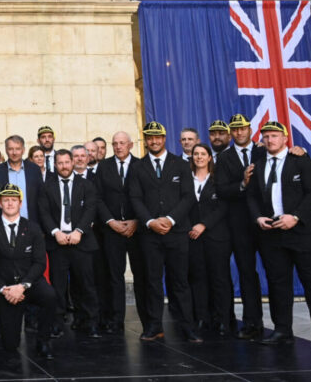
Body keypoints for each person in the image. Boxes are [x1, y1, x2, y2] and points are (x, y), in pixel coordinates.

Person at [246, 120, 311, 351]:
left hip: (303, 232)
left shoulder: (300, 160)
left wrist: (296, 216)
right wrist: (258, 217)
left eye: (274, 135)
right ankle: (283, 330)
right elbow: (252, 196)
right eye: (266, 136)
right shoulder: (259, 163)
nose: (270, 140)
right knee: (278, 284)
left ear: (284, 139)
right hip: (272, 234)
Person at [129, 121, 200, 343]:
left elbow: (188, 196)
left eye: (157, 137)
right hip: (149, 235)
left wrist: (170, 219)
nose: (154, 141)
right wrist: (150, 221)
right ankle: (154, 326)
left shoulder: (180, 164)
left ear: (164, 138)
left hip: (177, 232)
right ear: (146, 140)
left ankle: (187, 327)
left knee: (180, 281)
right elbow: (135, 199)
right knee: (152, 282)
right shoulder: (138, 167)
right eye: (150, 137)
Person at [0, 183, 57, 359]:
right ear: (0, 203)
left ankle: (44, 340)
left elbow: (40, 262)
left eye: (14, 200)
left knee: (49, 295)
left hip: (30, 282)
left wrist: (23, 285)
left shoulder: (33, 228)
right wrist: (3, 289)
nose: (10, 203)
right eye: (6, 200)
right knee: (10, 346)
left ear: (20, 203)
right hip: (5, 288)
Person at [38, 149, 100, 338]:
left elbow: (90, 209)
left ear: (73, 162)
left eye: (67, 162)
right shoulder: (47, 186)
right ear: (55, 165)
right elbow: (44, 213)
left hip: (81, 242)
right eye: (60, 163)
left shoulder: (86, 185)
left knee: (85, 284)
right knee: (58, 286)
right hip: (57, 244)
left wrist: (79, 231)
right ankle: (56, 323)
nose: (64, 166)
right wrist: (55, 232)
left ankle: (89, 322)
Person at [214, 113, 264, 339]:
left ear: (249, 129)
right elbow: (222, 190)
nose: (239, 132)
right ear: (230, 133)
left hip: (265, 222)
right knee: (246, 273)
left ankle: (282, 327)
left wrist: (297, 150)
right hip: (239, 224)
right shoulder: (224, 158)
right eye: (235, 129)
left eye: (242, 128)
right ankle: (252, 322)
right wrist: (242, 184)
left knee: (275, 274)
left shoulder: (264, 150)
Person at [93, 131, 148, 334]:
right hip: (112, 231)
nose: (118, 147)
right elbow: (97, 198)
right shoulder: (104, 166)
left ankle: (147, 320)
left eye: (122, 143)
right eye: (115, 143)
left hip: (137, 230)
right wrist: (111, 222)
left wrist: (136, 221)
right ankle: (116, 320)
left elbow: (146, 197)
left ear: (131, 145)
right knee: (114, 277)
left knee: (140, 275)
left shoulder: (141, 165)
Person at [187, 143, 232, 335]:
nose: (199, 157)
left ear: (210, 157)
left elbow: (223, 206)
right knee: (198, 278)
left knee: (219, 278)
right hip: (192, 237)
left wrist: (203, 224)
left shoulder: (217, 179)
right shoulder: (186, 179)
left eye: (203, 154)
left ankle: (222, 319)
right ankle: (202, 318)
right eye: (196, 154)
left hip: (216, 235)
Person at [0, 135, 43, 221]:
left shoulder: (34, 170)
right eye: (11, 149)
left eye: (18, 149)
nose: (14, 153)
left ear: (23, 150)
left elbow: (41, 200)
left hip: (31, 225)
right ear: (6, 150)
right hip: (4, 226)